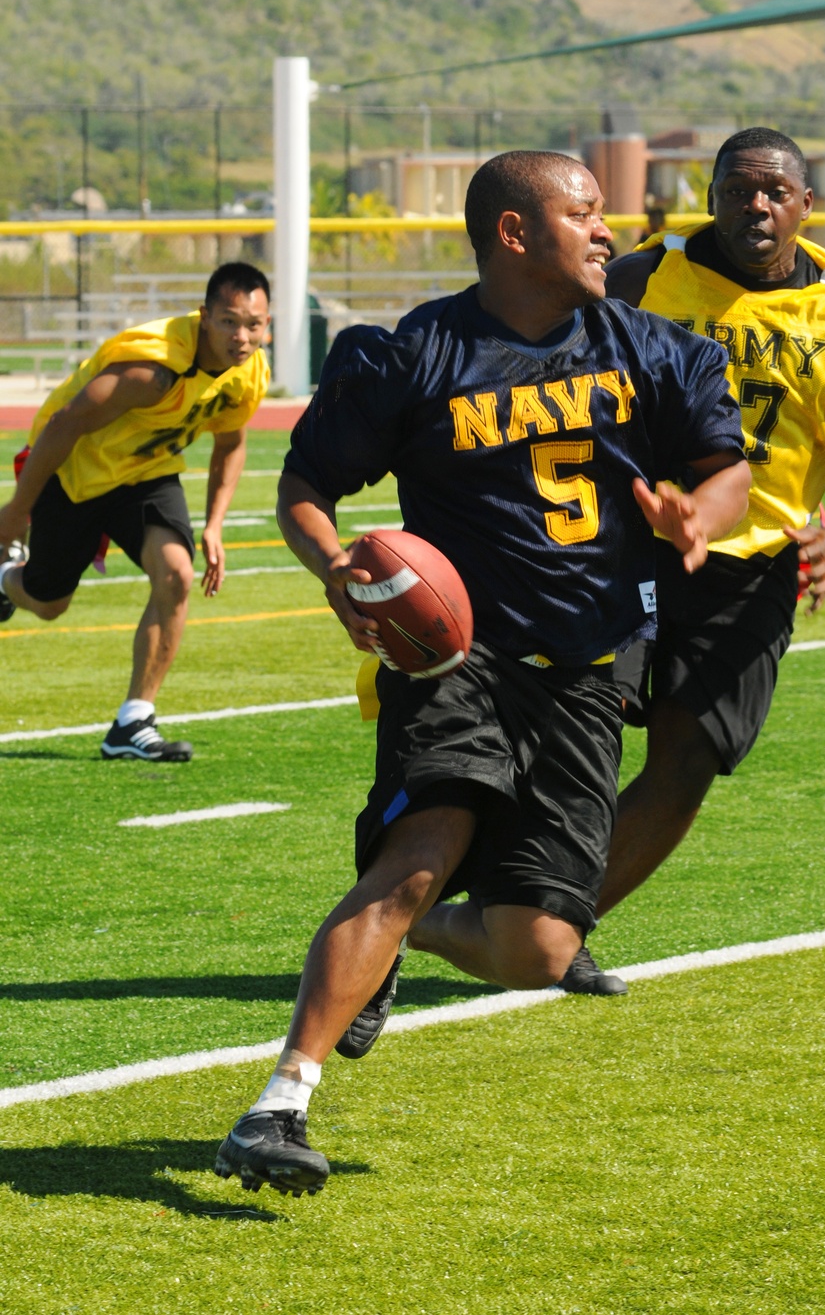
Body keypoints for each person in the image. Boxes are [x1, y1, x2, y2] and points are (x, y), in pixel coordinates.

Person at [214, 151, 750, 1195]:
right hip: (457, 658)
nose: (607, 231)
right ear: (513, 232)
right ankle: (279, 1103)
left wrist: (700, 517)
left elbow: (724, 470)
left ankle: (413, 936)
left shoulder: (653, 351)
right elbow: (305, 485)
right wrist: (334, 567)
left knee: (541, 948)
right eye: (584, 213)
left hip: (586, 670)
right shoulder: (416, 353)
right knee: (419, 851)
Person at [556, 126, 825, 994]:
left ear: (805, 205)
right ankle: (492, 899)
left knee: (689, 756)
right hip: (630, 543)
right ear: (710, 194)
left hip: (751, 566)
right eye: (739, 189)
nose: (757, 206)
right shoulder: (641, 279)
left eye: (775, 192)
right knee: (582, 727)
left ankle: (558, 924)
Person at [0, 263, 271, 761]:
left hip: (145, 474)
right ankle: (3, 578)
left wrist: (214, 525)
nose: (242, 336)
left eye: (254, 324)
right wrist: (18, 510)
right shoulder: (150, 371)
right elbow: (63, 425)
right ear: (204, 317)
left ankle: (133, 721)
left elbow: (231, 443)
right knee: (47, 602)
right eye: (230, 321)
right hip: (76, 474)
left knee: (176, 575)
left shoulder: (248, 373)